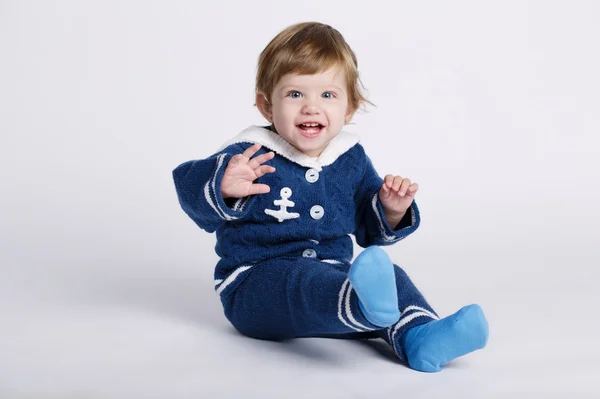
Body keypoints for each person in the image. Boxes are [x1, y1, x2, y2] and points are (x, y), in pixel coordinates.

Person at [173, 21, 488, 372]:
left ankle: (421, 335)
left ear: (349, 109)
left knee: (390, 277)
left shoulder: (349, 157)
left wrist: (391, 209)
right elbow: (188, 188)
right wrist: (222, 186)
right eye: (295, 94)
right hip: (255, 284)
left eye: (327, 95)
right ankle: (364, 306)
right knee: (303, 283)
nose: (311, 107)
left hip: (334, 276)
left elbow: (370, 229)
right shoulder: (248, 154)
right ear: (266, 106)